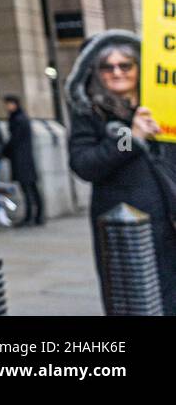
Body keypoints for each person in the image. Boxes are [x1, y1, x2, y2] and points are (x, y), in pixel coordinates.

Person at [66, 29, 176, 315]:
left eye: (125, 65)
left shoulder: (163, 106)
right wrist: (131, 137)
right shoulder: (90, 112)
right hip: (124, 229)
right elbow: (84, 164)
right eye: (107, 66)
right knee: (135, 303)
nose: (117, 72)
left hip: (169, 220)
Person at [2, 94, 42, 226]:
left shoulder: (18, 119)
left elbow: (15, 140)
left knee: (28, 189)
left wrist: (4, 151)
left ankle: (33, 216)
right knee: (31, 188)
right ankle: (35, 216)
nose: (7, 107)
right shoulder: (19, 118)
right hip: (24, 159)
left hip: (22, 159)